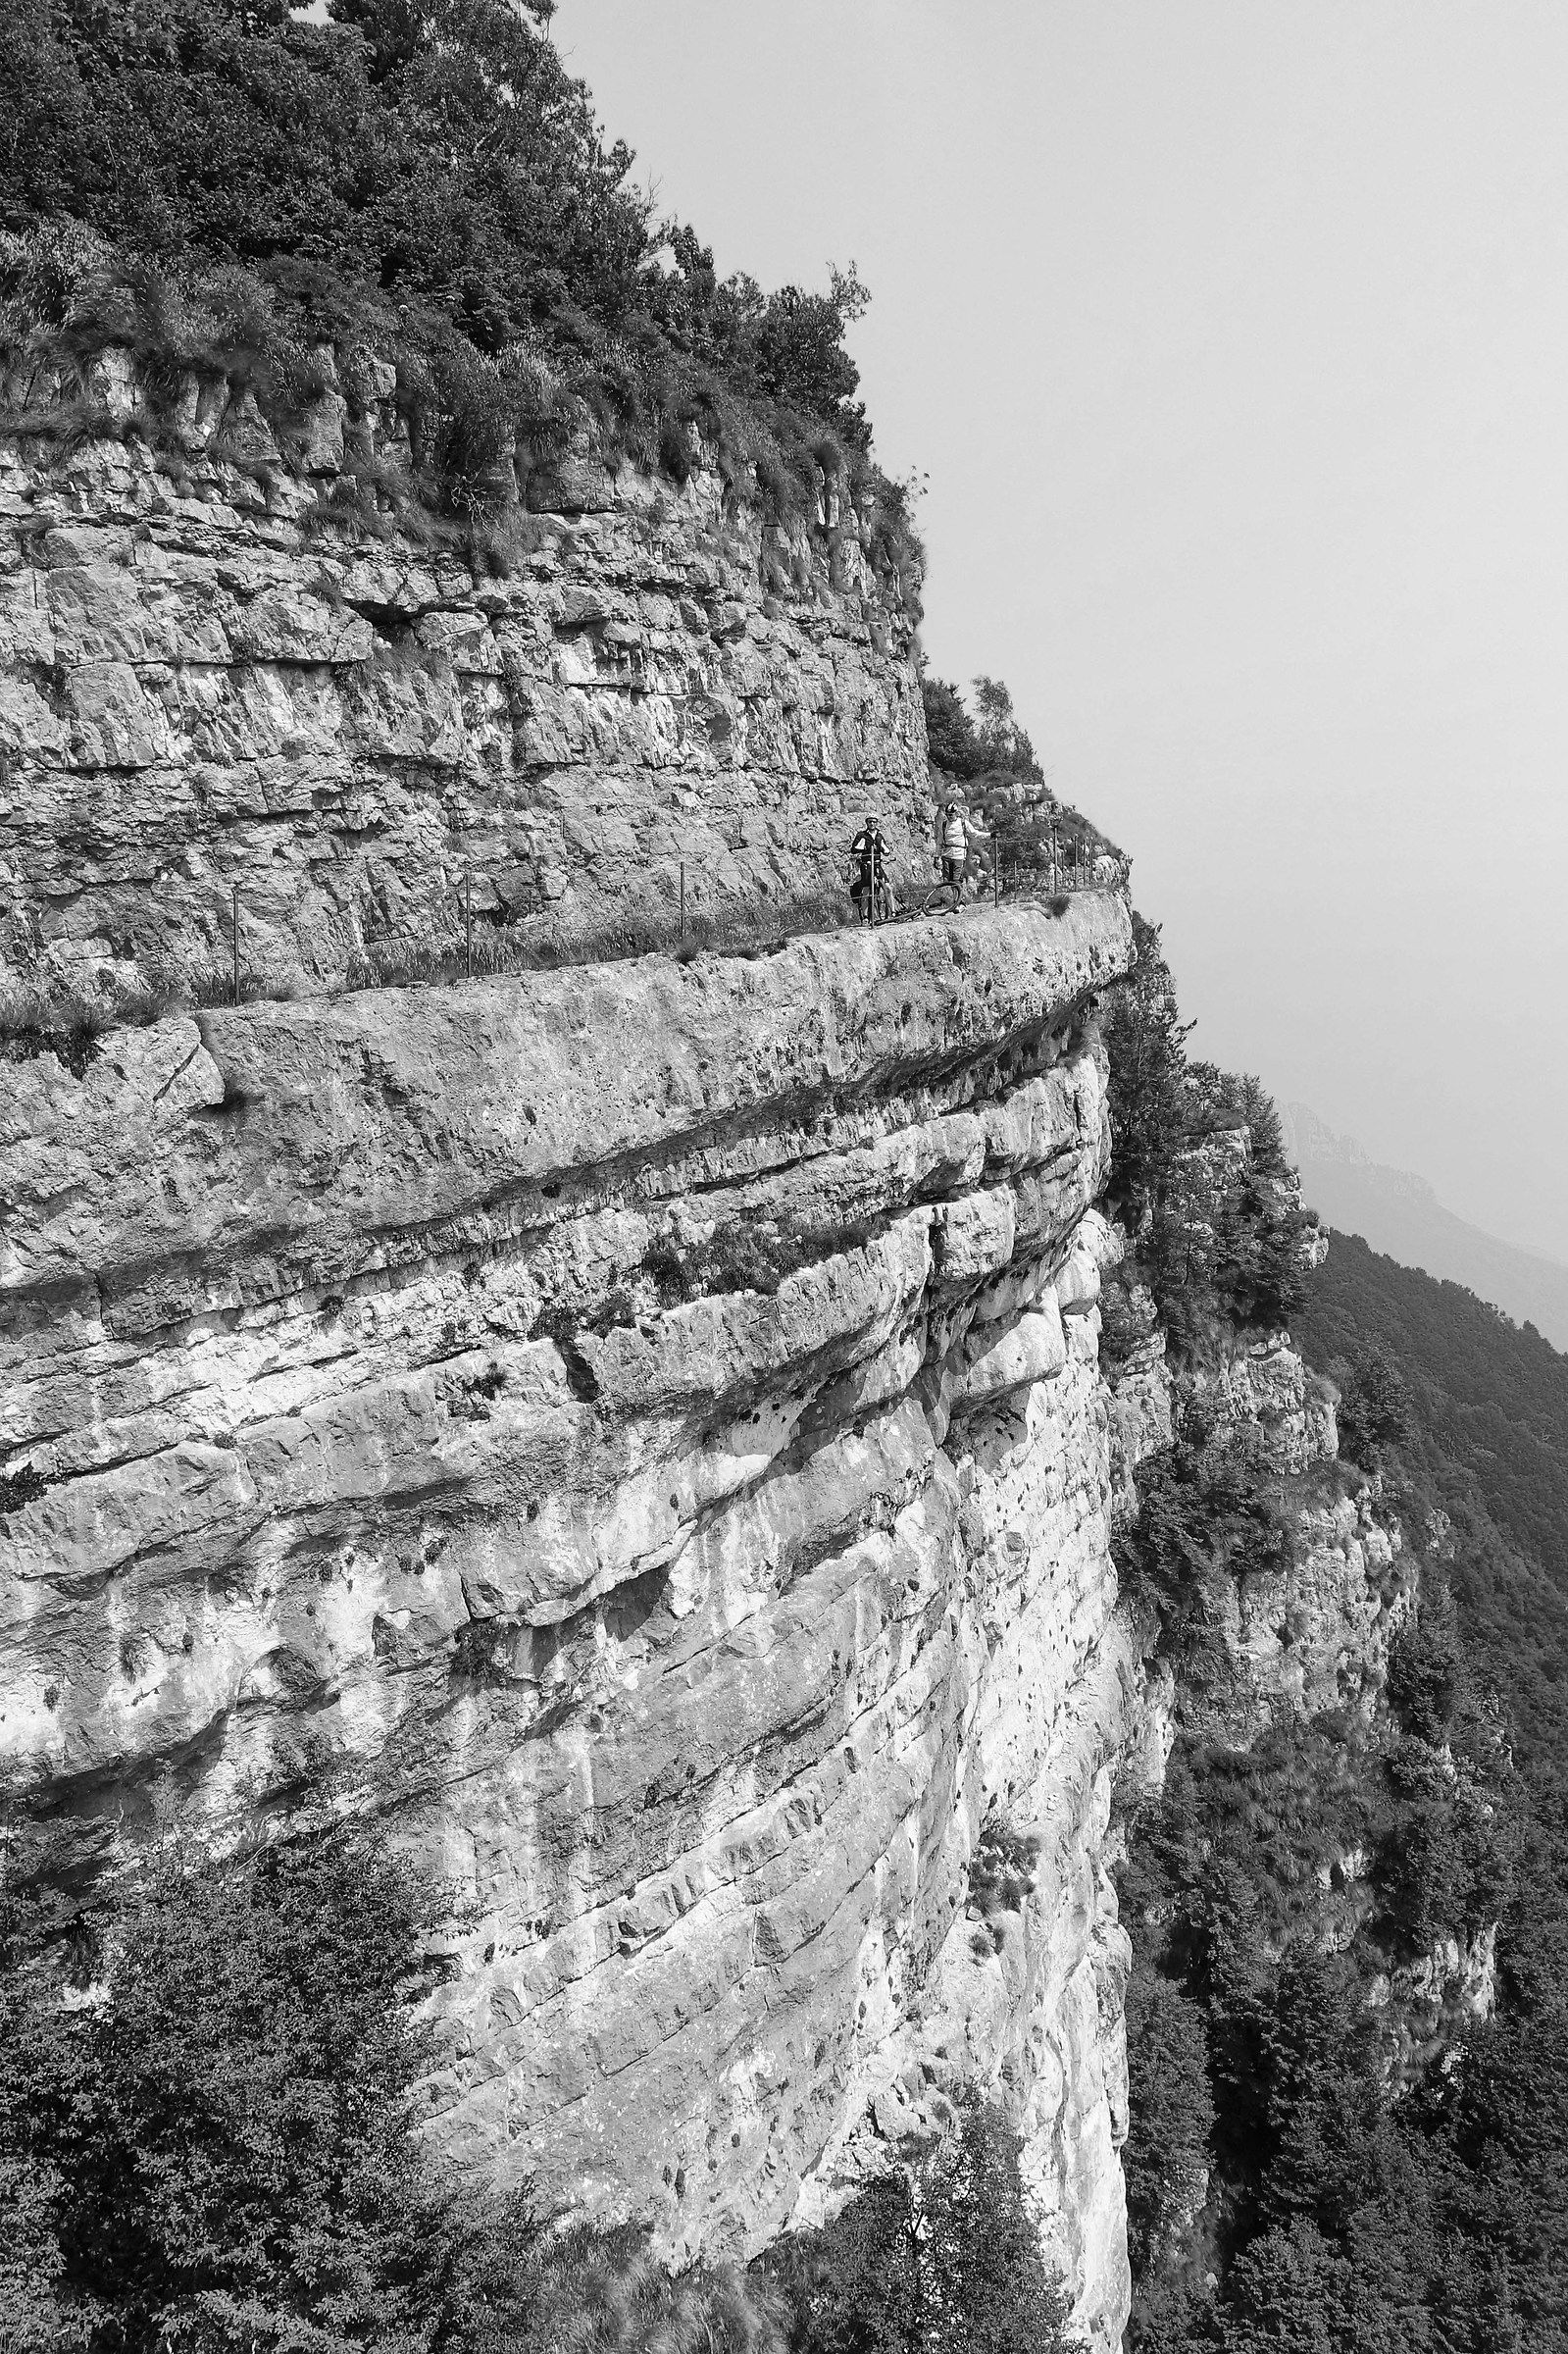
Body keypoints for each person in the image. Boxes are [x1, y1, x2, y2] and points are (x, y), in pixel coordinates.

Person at [850, 815, 889, 922]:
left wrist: (886, 851)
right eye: (870, 822)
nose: (872, 824)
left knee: (888, 887)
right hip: (866, 864)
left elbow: (884, 847)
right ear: (867, 823)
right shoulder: (862, 835)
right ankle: (866, 916)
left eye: (874, 822)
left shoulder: (879, 835)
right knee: (867, 889)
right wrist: (863, 847)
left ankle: (892, 911)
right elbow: (853, 849)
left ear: (876, 823)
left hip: (877, 863)